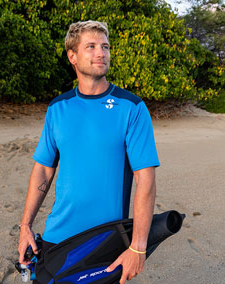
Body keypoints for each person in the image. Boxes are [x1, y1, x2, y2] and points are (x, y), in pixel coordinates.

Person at [17, 20, 160, 284]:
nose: (101, 53)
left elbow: (145, 180)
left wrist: (138, 247)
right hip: (57, 235)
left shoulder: (131, 108)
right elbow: (44, 170)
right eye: (91, 46)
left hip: (104, 239)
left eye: (105, 47)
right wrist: (26, 225)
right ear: (72, 56)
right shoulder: (58, 108)